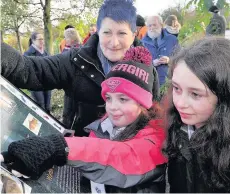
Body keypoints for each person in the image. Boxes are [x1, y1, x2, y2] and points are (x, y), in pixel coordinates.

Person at [1, 46, 168, 193]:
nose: (112, 107)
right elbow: (96, 148)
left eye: (123, 99)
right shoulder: (106, 126)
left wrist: (61, 148)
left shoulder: (156, 136)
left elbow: (122, 156)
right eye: (108, 98)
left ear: (143, 103)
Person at [1, 0, 159, 136]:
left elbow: (152, 117)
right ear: (97, 32)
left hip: (124, 158)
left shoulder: (146, 69)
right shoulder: (75, 60)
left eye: (122, 33)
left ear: (133, 34)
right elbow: (30, 70)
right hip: (80, 154)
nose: (114, 42)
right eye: (107, 32)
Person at [164, 37, 230, 192]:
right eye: (176, 88)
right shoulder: (177, 129)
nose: (180, 103)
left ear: (223, 96)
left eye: (195, 94)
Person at [142, 15, 178, 87]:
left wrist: (169, 60)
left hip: (170, 84)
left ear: (161, 25)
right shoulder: (142, 43)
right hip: (150, 85)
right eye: (149, 26)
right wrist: (152, 63)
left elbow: (180, 58)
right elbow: (138, 64)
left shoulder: (172, 40)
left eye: (154, 25)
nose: (152, 28)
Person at [24, 32, 52, 114]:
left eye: (42, 39)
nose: (42, 41)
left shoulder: (45, 52)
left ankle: (51, 125)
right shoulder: (27, 54)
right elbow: (28, 71)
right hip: (36, 85)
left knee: (48, 106)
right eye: (40, 39)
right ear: (33, 40)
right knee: (41, 107)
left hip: (47, 82)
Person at [62, 28, 82, 128]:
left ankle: (68, 132)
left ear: (71, 38)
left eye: (66, 37)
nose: (65, 39)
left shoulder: (76, 49)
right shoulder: (67, 48)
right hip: (73, 86)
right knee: (73, 112)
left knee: (69, 112)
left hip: (74, 86)